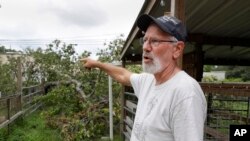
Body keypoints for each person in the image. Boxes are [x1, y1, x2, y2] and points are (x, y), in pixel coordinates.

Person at [81, 14, 207, 141]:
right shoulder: (148, 80)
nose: (145, 47)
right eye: (145, 40)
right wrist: (97, 64)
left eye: (155, 41)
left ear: (177, 49)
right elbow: (123, 75)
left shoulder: (185, 93)